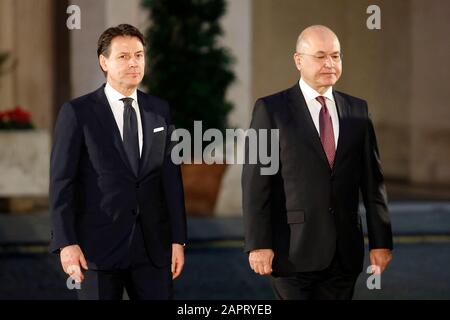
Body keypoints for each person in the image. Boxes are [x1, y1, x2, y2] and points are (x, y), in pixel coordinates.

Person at [242, 25, 393, 300]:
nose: (329, 64)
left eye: (336, 56)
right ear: (298, 60)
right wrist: (258, 244)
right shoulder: (271, 110)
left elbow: (374, 184)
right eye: (320, 56)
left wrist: (381, 242)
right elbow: (256, 183)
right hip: (291, 252)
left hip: (344, 254)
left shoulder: (358, 110)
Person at [49, 24, 187, 300]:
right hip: (96, 251)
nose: (134, 62)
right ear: (104, 62)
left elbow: (170, 178)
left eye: (139, 55)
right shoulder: (78, 112)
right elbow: (62, 182)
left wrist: (178, 239)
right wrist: (66, 243)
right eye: (124, 56)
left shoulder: (159, 110)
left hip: (153, 251)